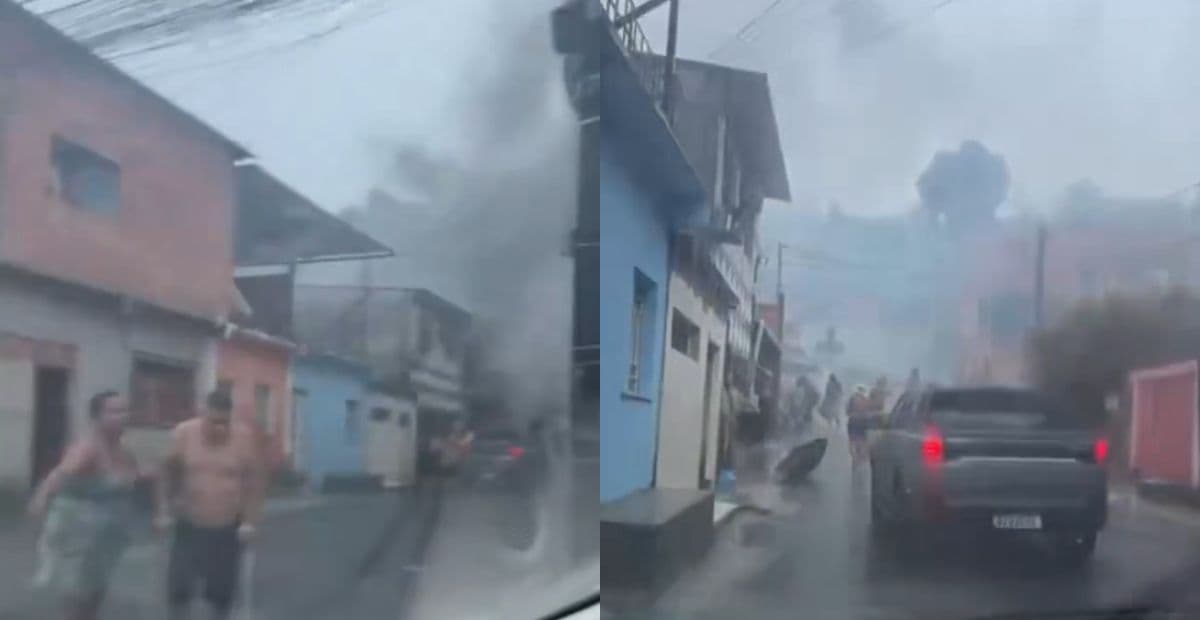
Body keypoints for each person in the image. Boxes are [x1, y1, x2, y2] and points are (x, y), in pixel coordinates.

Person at [28, 391, 140, 620]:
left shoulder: (123, 450)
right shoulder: (87, 448)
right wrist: (40, 499)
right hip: (81, 530)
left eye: (125, 410)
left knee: (97, 588)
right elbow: (59, 475)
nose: (123, 416)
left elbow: (133, 479)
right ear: (97, 417)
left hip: (108, 533)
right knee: (77, 591)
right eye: (114, 411)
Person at [156, 389, 264, 620]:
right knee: (179, 590)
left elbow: (254, 482)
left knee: (220, 594)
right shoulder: (184, 433)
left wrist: (249, 521)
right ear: (203, 414)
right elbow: (165, 473)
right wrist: (163, 511)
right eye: (214, 422)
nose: (220, 428)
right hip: (189, 526)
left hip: (227, 529)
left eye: (225, 422)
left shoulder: (243, 438)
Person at [845, 385, 872, 465]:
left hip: (853, 421)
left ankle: (855, 458)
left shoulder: (852, 398)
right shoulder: (866, 400)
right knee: (862, 441)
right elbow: (869, 414)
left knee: (852, 441)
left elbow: (847, 411)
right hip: (863, 423)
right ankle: (861, 459)